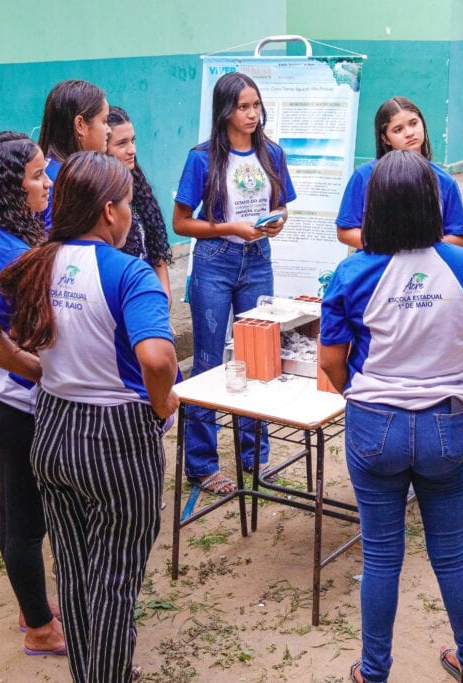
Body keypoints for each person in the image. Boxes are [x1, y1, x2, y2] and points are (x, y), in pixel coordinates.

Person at [0, 151, 179, 682]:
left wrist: (34, 370)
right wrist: (163, 403)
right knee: (115, 579)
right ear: (109, 210)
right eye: (128, 205)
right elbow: (156, 358)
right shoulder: (129, 273)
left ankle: (91, 671)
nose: (130, 215)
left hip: (55, 430)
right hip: (117, 439)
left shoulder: (35, 263)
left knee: (76, 572)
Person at [319, 150, 463, 683]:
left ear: (374, 206)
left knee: (381, 556)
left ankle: (373, 671)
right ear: (434, 203)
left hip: (374, 425)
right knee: (451, 553)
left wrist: (362, 396)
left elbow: (331, 361)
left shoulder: (353, 271)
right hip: (446, 425)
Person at [0, 131, 65, 657]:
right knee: (27, 520)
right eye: (37, 176)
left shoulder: (3, 230)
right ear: (8, 188)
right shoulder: (7, 250)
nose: (47, 184)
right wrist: (35, 370)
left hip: (5, 398)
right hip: (14, 402)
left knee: (19, 510)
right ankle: (41, 629)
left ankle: (32, 608)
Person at [172, 71, 296, 495]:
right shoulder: (202, 158)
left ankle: (254, 456)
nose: (252, 114)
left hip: (258, 259)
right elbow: (181, 222)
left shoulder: (272, 153)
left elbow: (281, 206)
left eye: (256, 105)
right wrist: (230, 227)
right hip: (215, 262)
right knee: (208, 360)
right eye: (243, 107)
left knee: (258, 355)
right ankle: (202, 464)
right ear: (225, 110)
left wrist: (276, 222)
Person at [336, 97, 463, 249]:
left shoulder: (445, 181)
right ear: (385, 138)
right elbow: (345, 231)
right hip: (378, 261)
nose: (409, 133)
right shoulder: (364, 175)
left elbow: (458, 237)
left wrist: (420, 250)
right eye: (398, 130)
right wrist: (390, 248)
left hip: (426, 263)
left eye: (414, 123)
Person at [106, 105, 174, 301]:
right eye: (122, 143)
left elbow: (156, 248)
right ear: (103, 148)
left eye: (133, 141)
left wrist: (164, 295)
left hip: (150, 294)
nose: (132, 150)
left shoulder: (138, 185)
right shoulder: (97, 196)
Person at [37, 79, 110, 227]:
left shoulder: (52, 171)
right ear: (80, 125)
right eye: (104, 121)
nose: (109, 130)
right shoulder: (61, 181)